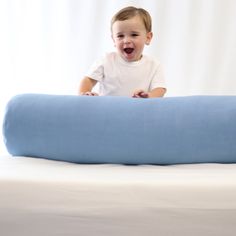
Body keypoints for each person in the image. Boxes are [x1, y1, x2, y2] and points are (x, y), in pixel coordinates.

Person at [78, 6, 166, 98]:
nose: (126, 40)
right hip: (108, 111)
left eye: (134, 34)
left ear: (148, 38)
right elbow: (88, 80)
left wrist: (148, 95)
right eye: (120, 36)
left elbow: (160, 89)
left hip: (139, 111)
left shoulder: (154, 65)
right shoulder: (106, 60)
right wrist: (85, 93)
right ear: (114, 40)